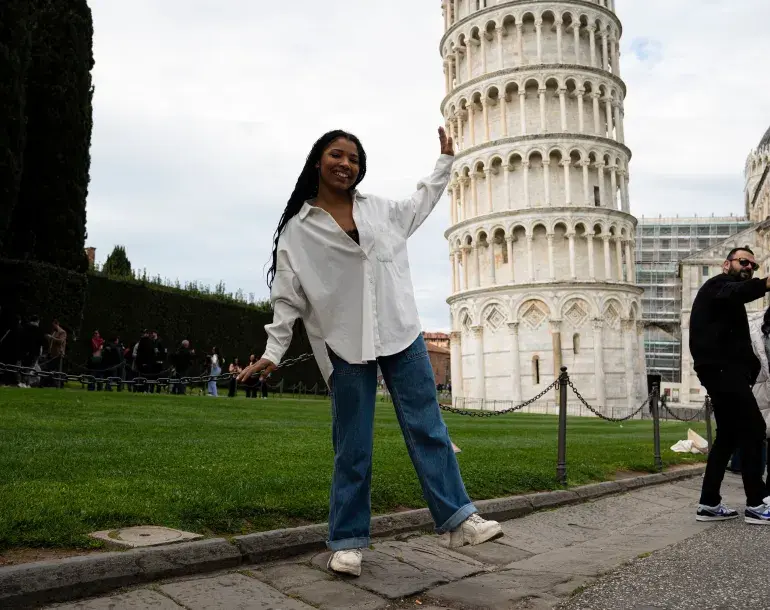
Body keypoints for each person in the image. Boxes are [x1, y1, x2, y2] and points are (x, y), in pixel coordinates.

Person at [238, 127, 502, 577]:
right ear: (318, 161)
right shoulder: (298, 230)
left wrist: (445, 163)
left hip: (400, 330)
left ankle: (459, 519)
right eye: (336, 155)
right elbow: (287, 298)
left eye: (354, 159)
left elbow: (420, 203)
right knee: (352, 446)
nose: (346, 164)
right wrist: (273, 351)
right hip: (345, 342)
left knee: (429, 428)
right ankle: (347, 541)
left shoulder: (379, 209)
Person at [690, 247, 770, 524]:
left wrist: (750, 368)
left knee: (728, 436)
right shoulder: (718, 286)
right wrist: (765, 283)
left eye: (753, 266)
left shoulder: (728, 298)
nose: (748, 267)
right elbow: (737, 291)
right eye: (743, 262)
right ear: (727, 264)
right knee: (754, 429)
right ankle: (757, 503)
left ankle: (708, 504)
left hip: (724, 371)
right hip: (722, 370)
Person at [19, 315, 47, 388]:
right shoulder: (39, 330)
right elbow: (43, 342)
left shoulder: (24, 328)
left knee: (24, 366)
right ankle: (23, 382)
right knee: (30, 367)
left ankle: (26, 383)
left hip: (24, 350)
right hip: (34, 351)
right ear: (37, 321)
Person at [45, 319, 67, 388]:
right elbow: (52, 342)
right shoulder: (53, 332)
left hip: (58, 354)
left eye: (53, 325)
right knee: (50, 369)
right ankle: (51, 383)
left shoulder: (62, 332)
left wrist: (51, 337)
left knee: (58, 370)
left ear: (57, 324)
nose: (52, 326)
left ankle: (60, 384)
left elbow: (61, 341)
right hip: (52, 353)